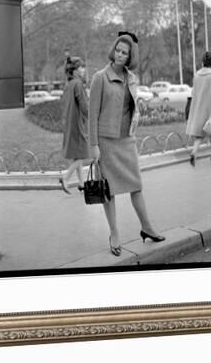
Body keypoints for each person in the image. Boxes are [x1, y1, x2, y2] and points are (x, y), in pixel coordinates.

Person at [88, 33, 165, 256]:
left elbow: (132, 106)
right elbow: (92, 116)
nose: (120, 55)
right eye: (118, 51)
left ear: (130, 56)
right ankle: (114, 234)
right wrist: (94, 146)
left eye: (125, 52)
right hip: (106, 142)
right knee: (109, 191)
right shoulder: (99, 78)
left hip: (127, 139)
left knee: (137, 186)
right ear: (113, 51)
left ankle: (147, 228)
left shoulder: (132, 78)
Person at [59, 56, 92, 194]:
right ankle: (66, 178)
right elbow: (85, 107)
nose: (84, 70)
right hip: (78, 125)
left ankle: (81, 183)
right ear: (75, 70)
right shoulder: (78, 84)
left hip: (69, 123)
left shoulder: (69, 84)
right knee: (84, 154)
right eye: (81, 67)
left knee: (77, 156)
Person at [186, 51, 211, 166]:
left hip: (198, 109)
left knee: (199, 135)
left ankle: (194, 152)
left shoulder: (196, 75)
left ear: (202, 62)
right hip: (210, 109)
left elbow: (194, 92)